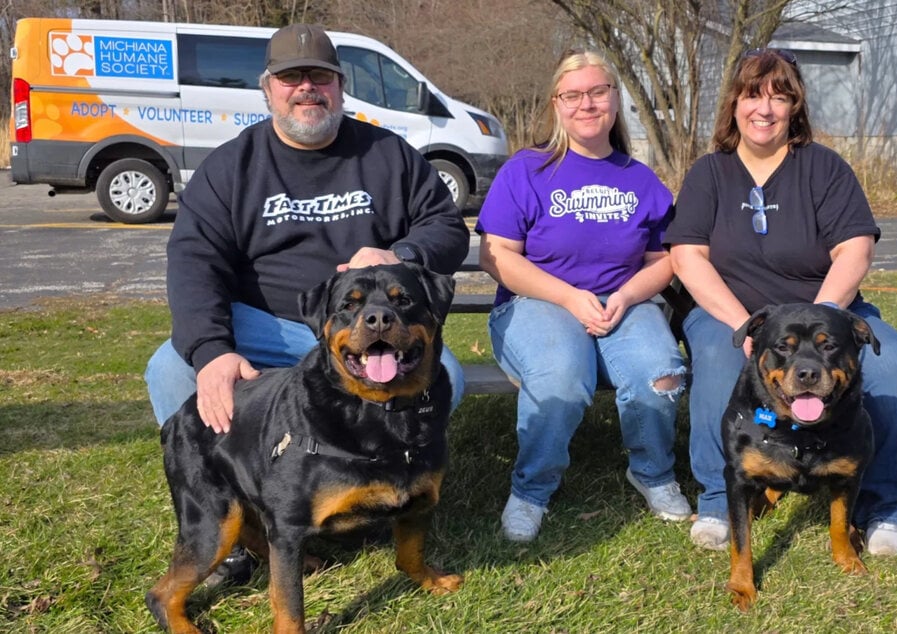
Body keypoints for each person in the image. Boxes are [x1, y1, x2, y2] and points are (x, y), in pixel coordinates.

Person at [144, 24, 470, 580]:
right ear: (267, 88)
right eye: (291, 77)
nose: (306, 88)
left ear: (340, 86)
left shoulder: (387, 154)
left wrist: (399, 253)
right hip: (261, 321)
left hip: (358, 321)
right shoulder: (231, 167)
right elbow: (194, 260)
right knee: (170, 370)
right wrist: (210, 350)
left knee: (451, 375)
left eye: (320, 76)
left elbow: (446, 225)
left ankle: (378, 488)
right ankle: (239, 521)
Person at [666, 48, 897, 556]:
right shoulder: (709, 173)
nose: (765, 108)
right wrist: (747, 327)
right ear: (734, 104)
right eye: (753, 94)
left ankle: (883, 507)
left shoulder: (824, 168)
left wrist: (822, 321)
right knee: (720, 360)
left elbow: (855, 248)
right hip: (733, 314)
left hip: (830, 310)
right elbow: (687, 256)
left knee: (896, 366)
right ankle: (719, 499)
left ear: (795, 108)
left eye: (780, 97)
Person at [475, 49, 690, 543]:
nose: (586, 104)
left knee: (659, 372)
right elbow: (497, 257)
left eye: (598, 92)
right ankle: (531, 491)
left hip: (623, 304)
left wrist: (627, 295)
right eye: (573, 95)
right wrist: (571, 298)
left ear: (615, 100)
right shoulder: (526, 170)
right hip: (537, 305)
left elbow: (665, 259)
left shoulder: (640, 179)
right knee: (562, 376)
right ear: (556, 104)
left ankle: (653, 474)